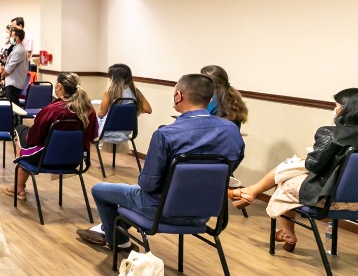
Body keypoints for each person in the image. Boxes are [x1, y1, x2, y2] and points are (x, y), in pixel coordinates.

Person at [77, 74, 245, 251]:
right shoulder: (232, 131)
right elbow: (229, 169)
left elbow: (148, 184)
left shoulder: (166, 134)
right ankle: (107, 230)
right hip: (204, 213)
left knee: (100, 190)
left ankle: (118, 240)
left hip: (160, 211)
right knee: (133, 195)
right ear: (209, 99)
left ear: (178, 96)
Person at [232, 87, 358, 251]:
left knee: (286, 179)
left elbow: (314, 165)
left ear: (346, 109)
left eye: (337, 106)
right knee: (294, 169)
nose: (335, 109)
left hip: (330, 201)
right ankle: (254, 194)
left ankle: (284, 229)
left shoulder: (330, 133)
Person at [6, 72, 98, 200]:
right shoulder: (88, 109)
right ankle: (19, 185)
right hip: (75, 160)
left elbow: (34, 139)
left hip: (45, 159)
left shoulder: (52, 110)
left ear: (59, 86)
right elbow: (92, 135)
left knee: (20, 130)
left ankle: (19, 187)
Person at [97, 63, 152, 142]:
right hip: (126, 132)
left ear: (114, 78)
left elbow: (102, 114)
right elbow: (148, 110)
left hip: (106, 132)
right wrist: (131, 111)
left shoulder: (109, 93)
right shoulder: (135, 92)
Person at [0, 27, 28, 106]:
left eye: (12, 36)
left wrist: (3, 75)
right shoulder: (15, 49)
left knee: (13, 107)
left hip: (14, 83)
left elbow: (9, 68)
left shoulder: (19, 51)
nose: (10, 38)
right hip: (12, 82)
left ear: (17, 38)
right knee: (11, 106)